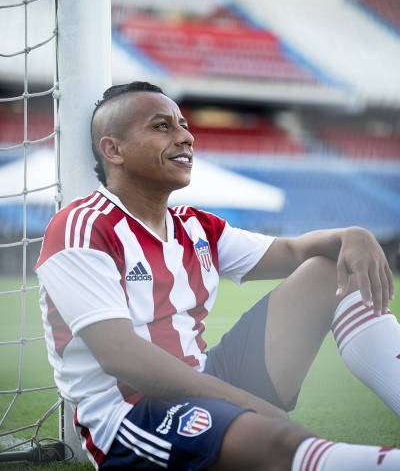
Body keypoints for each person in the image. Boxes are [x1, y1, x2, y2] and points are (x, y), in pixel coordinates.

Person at [35, 81, 400, 470]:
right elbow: (122, 357)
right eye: (162, 126)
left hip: (205, 378)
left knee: (328, 271)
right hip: (135, 411)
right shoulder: (83, 226)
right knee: (279, 445)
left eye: (183, 125)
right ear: (113, 150)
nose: (186, 137)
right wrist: (241, 401)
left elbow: (294, 251)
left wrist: (351, 236)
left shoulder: (195, 226)